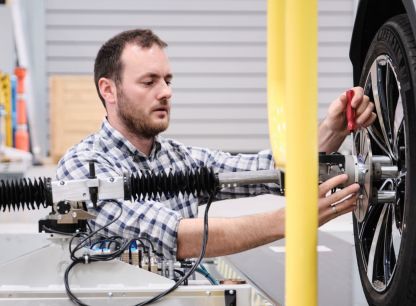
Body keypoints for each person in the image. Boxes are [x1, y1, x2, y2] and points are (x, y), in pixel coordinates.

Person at [56, 29, 376, 261]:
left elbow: (271, 170)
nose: (166, 92)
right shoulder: (82, 167)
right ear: (108, 90)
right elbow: (172, 234)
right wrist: (289, 221)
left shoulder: (178, 158)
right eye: (149, 81)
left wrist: (332, 130)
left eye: (168, 80)